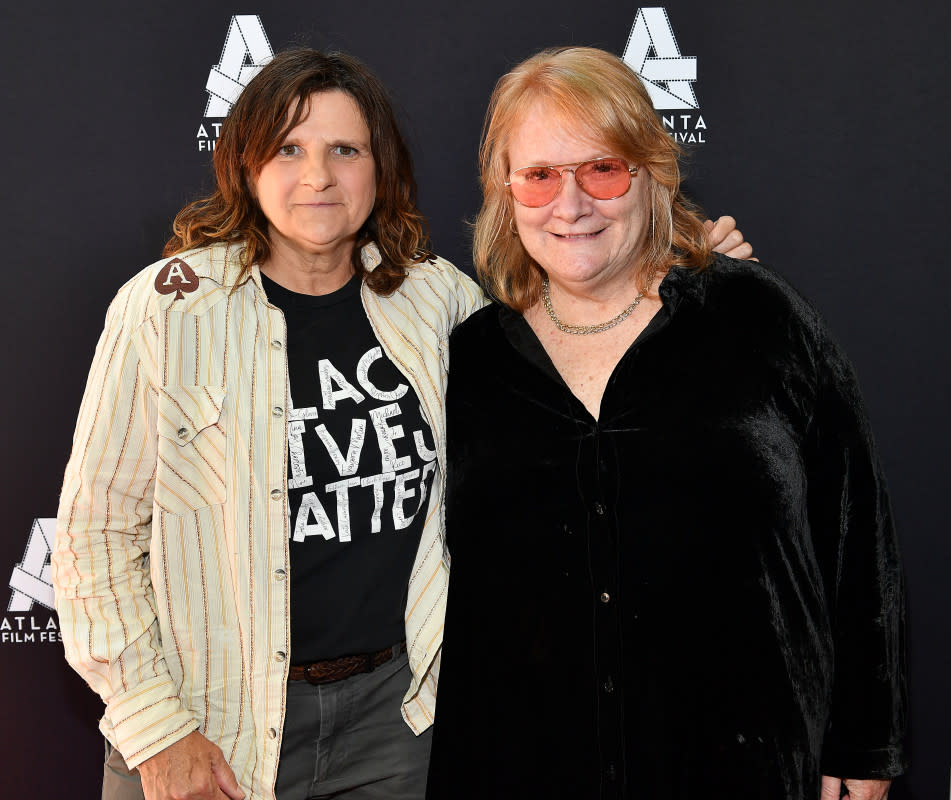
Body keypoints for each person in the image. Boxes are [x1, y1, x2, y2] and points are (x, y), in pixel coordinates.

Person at [52, 48, 753, 800]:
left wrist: (669, 274)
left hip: (393, 728)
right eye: (288, 149)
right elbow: (95, 538)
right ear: (245, 165)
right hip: (207, 725)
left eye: (344, 150)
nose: (317, 176)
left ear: (378, 166)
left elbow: (568, 351)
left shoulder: (435, 300)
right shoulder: (165, 309)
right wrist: (157, 733)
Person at [426, 47, 906, 800]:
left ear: (650, 175)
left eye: (603, 169)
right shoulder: (470, 359)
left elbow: (855, 535)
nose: (570, 203)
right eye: (539, 175)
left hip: (743, 762)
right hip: (527, 763)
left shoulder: (758, 317)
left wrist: (864, 744)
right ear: (504, 192)